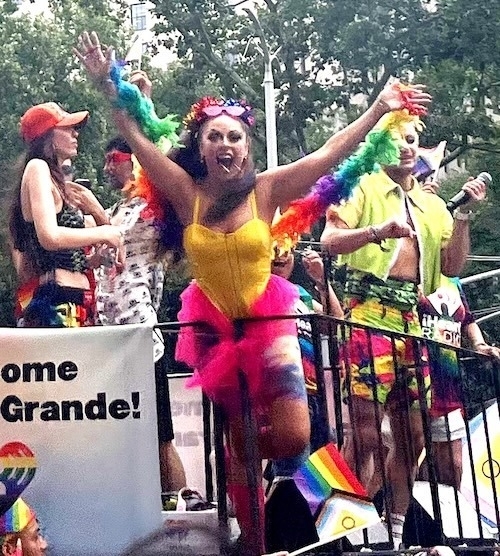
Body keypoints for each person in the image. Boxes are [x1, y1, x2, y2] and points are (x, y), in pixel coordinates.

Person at [75, 30, 430, 556]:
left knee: (291, 436)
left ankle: (290, 497)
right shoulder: (184, 191)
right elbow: (137, 140)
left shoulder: (267, 189)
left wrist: (380, 108)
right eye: (215, 136)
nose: (225, 145)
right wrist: (111, 88)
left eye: (235, 137)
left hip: (269, 326)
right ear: (201, 146)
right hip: (215, 330)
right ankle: (256, 544)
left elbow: (331, 152)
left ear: (247, 146)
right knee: (241, 452)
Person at [320, 114, 487, 548]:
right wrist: (378, 231)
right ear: (379, 148)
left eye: (413, 140)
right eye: (396, 141)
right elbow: (329, 241)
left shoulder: (432, 205)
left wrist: (464, 218)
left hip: (412, 322)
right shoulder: (362, 186)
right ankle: (338, 534)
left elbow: (450, 268)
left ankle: (394, 532)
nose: (407, 147)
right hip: (366, 314)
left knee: (414, 435)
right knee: (366, 434)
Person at [96, 135, 186, 493]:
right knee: (127, 441)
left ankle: (183, 521)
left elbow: (158, 158)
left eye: (112, 158)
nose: (106, 167)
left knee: (160, 438)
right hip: (108, 334)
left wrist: (138, 102)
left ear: (132, 160)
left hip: (139, 334)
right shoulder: (119, 210)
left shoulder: (152, 203)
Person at [8, 101, 123, 327]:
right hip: (55, 302)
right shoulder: (37, 167)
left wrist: (90, 260)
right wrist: (103, 233)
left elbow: (61, 252)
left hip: (75, 301)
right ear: (48, 135)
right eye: (68, 128)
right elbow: (49, 238)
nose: (75, 134)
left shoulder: (54, 180)